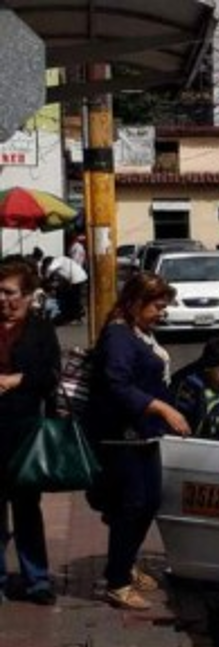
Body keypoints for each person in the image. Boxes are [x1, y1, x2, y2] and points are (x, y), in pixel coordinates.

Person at [87, 273, 191, 611]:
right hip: (123, 437)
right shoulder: (118, 336)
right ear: (135, 303)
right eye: (157, 306)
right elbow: (116, 385)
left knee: (148, 502)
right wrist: (161, 408)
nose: (162, 313)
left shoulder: (140, 333)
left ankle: (126, 563)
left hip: (144, 434)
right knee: (131, 505)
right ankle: (116, 581)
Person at [0, 257, 61, 604]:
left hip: (25, 430)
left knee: (26, 508)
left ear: (26, 295)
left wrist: (17, 379)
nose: (4, 301)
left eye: (10, 293)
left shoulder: (40, 329)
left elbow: (51, 375)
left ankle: (36, 579)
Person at [40, 253, 89, 325]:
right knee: (74, 298)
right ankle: (76, 315)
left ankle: (76, 317)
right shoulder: (62, 260)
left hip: (77, 278)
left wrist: (46, 277)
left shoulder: (57, 261)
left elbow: (51, 269)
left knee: (74, 299)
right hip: (79, 276)